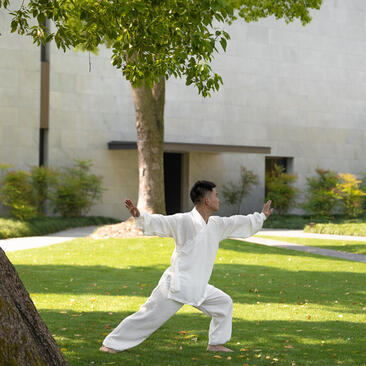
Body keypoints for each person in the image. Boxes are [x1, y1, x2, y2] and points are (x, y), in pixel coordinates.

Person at [100, 180, 273, 354]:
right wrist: (140, 216)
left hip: (198, 286)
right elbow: (161, 222)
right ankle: (111, 344)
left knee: (223, 304)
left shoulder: (216, 225)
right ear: (207, 200)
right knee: (147, 316)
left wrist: (261, 216)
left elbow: (237, 222)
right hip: (176, 285)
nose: (218, 199)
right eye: (216, 195)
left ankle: (215, 344)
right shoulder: (184, 221)